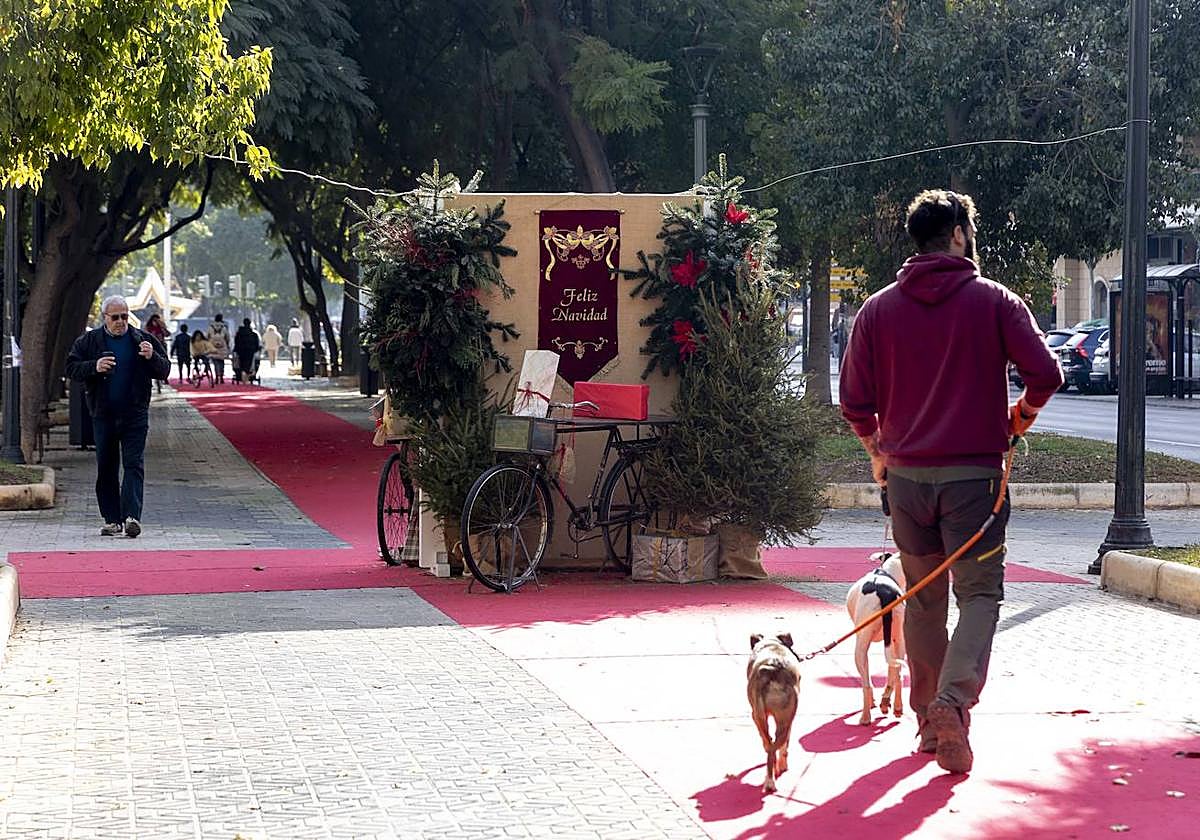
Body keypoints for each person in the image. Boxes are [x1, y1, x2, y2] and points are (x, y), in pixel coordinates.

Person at [838, 189, 1062, 775]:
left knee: (923, 599)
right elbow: (1046, 373)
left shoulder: (877, 310)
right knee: (980, 594)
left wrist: (877, 452)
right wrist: (1018, 420)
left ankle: (926, 727)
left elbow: (853, 402)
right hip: (976, 483)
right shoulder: (995, 301)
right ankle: (952, 705)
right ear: (960, 235)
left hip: (907, 483)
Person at [65, 295, 171, 537]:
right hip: (104, 414)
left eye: (124, 316)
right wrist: (94, 366)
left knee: (134, 464)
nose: (121, 321)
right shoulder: (90, 341)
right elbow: (71, 367)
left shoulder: (142, 339)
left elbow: (165, 370)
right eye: (115, 317)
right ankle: (112, 519)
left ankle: (132, 516)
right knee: (107, 467)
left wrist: (152, 356)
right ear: (105, 318)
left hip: (135, 413)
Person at [144, 313, 169, 393]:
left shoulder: (161, 327)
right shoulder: (148, 328)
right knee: (153, 364)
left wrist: (162, 326)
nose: (155, 322)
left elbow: (167, 334)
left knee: (163, 362)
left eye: (157, 320)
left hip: (161, 347)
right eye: (154, 320)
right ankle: (156, 382)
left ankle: (164, 378)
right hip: (152, 347)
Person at [233, 317, 261, 383]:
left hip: (240, 351)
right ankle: (247, 375)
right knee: (249, 363)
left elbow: (236, 342)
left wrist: (236, 349)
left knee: (241, 362)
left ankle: (242, 373)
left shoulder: (239, 333)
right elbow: (257, 343)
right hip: (250, 351)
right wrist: (256, 349)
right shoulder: (253, 334)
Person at [208, 313, 232, 384]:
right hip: (222, 347)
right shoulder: (224, 327)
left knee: (215, 362)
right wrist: (227, 345)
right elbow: (227, 337)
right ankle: (221, 376)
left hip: (213, 346)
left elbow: (207, 336)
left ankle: (216, 377)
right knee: (221, 362)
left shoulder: (211, 327)